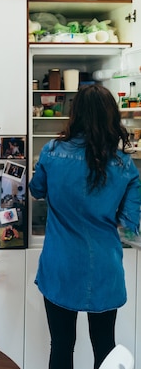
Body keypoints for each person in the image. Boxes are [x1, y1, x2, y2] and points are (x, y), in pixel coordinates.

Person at [29, 84, 140, 369]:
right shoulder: (125, 166)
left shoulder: (52, 151)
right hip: (104, 268)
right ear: (111, 118)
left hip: (60, 265)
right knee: (105, 348)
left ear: (74, 114)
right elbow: (131, 221)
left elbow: (37, 190)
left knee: (62, 345)